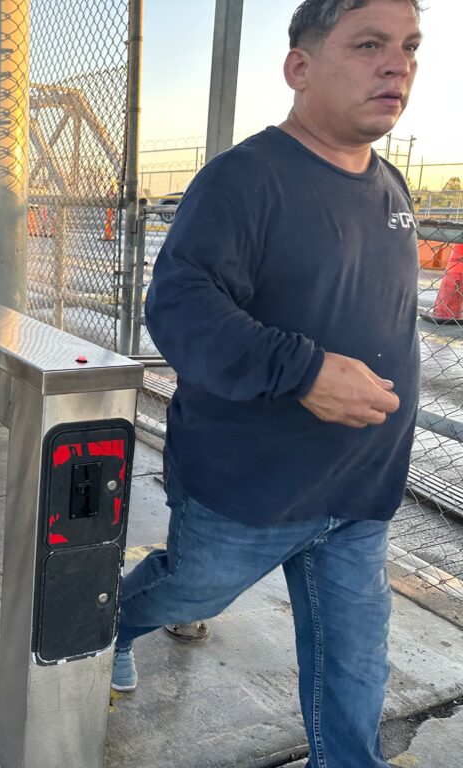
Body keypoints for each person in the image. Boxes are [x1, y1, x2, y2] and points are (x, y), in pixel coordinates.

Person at [113, 2, 422, 766]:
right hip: (248, 489)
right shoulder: (243, 180)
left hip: (359, 491)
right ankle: (113, 623)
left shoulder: (392, 189)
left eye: (411, 47)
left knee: (355, 660)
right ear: (300, 68)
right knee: (190, 593)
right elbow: (179, 308)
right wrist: (306, 370)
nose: (398, 65)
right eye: (370, 45)